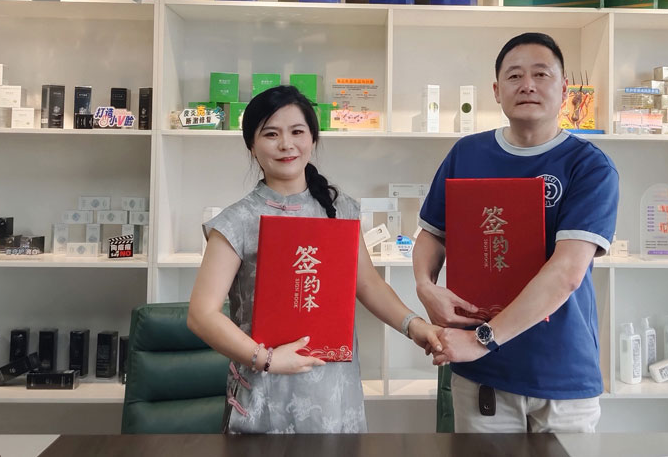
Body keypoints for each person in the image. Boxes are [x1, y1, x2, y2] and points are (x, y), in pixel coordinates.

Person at [188, 85, 442, 433]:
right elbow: (201, 315)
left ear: (313, 138)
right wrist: (267, 359)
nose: (286, 144)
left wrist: (414, 326)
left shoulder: (340, 209)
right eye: (271, 134)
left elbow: (368, 284)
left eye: (297, 132)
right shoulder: (237, 222)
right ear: (251, 145)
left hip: (333, 392)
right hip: (266, 391)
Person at [413, 32, 619, 433]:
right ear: (496, 91)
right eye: (514, 76)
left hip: (561, 372)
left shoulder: (589, 166)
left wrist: (482, 339)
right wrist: (424, 285)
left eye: (541, 74)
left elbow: (567, 272)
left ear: (565, 90)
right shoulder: (467, 154)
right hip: (484, 375)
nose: (527, 85)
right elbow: (432, 235)